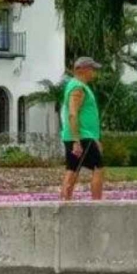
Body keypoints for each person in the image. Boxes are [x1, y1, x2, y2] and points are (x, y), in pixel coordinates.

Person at [59, 56, 104, 201]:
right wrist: (77, 140)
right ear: (81, 69)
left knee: (72, 170)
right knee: (98, 168)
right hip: (82, 136)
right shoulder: (77, 87)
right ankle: (97, 203)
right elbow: (72, 113)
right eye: (91, 69)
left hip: (81, 136)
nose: (93, 72)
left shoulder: (78, 86)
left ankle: (65, 203)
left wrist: (94, 138)